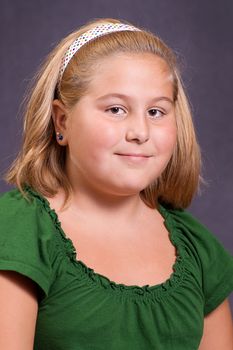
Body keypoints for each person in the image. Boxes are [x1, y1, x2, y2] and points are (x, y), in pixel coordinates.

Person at [0, 17, 232, 350]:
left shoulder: (198, 249)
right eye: (116, 109)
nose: (140, 132)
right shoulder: (19, 233)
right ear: (62, 120)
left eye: (156, 112)